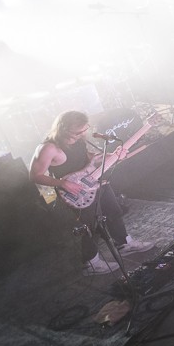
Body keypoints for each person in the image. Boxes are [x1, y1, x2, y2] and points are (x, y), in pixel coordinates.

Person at [29, 110, 152, 274]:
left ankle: (124, 244)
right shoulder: (48, 148)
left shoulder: (79, 139)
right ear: (64, 129)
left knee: (113, 210)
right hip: (74, 192)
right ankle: (91, 263)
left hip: (92, 182)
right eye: (78, 131)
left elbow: (88, 157)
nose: (83, 133)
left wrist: (109, 156)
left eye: (84, 129)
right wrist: (62, 183)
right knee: (88, 226)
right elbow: (34, 176)